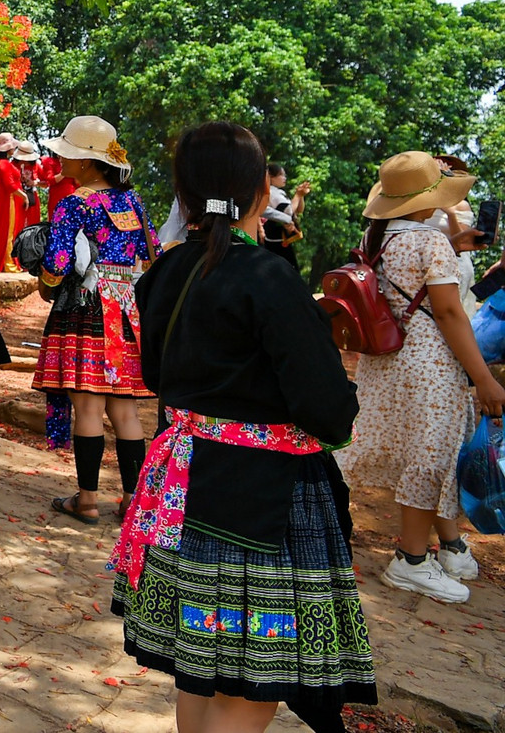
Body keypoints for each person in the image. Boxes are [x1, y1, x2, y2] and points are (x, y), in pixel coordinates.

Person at [114, 121, 373, 733]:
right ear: (261, 190)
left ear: (184, 195)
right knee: (256, 675)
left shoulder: (165, 271)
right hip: (263, 499)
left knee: (201, 666)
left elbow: (157, 374)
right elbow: (327, 405)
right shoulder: (267, 276)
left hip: (184, 487)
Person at [335, 151, 505, 603]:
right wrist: (484, 378)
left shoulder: (379, 237)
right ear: (429, 198)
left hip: (386, 360)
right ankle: (410, 559)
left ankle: (420, 547)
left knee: (377, 440)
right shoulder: (432, 244)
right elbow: (450, 313)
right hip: (429, 362)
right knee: (430, 452)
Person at [33, 115, 161, 524]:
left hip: (85, 307)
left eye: (67, 154)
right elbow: (153, 253)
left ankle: (87, 499)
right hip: (126, 310)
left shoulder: (75, 203)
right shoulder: (134, 201)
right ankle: (130, 500)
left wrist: (46, 283)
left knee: (87, 406)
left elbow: (56, 263)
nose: (60, 160)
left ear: (87, 163)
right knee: (125, 412)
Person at [0, 133, 33, 272]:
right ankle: (8, 264)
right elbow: (10, 186)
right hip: (8, 201)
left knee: (5, 231)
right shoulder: (4, 164)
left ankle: (6, 263)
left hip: (3, 201)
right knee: (8, 231)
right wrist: (24, 196)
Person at [260, 162, 310, 267]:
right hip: (275, 239)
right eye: (281, 175)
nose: (284, 178)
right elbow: (288, 212)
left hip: (280, 239)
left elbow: (299, 210)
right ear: (271, 177)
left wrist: (300, 196)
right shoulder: (272, 192)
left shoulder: (278, 192)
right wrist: (297, 195)